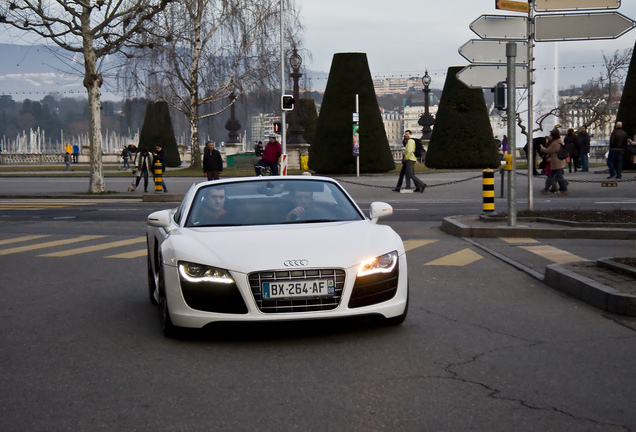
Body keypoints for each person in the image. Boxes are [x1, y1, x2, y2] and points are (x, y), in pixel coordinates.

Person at [540, 129, 568, 196]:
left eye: (551, 135)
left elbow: (548, 150)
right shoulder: (560, 141)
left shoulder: (555, 144)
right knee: (551, 176)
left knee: (559, 177)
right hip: (559, 161)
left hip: (556, 163)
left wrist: (542, 147)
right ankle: (546, 189)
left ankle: (564, 189)